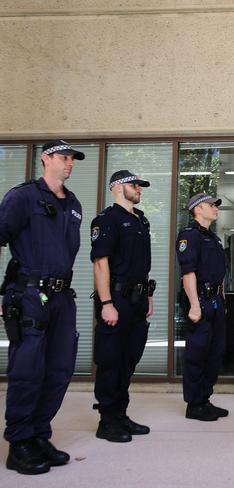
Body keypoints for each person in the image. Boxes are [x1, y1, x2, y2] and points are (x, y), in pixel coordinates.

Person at [0, 140, 84, 475]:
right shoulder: (23, 197)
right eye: (64, 157)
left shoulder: (73, 203)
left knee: (59, 369)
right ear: (46, 159)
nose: (69, 163)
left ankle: (38, 434)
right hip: (30, 294)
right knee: (28, 370)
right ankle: (18, 442)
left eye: (72, 159)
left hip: (62, 297)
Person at [90, 170, 155, 442]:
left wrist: (148, 295)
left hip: (138, 300)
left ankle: (121, 414)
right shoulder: (107, 220)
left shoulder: (140, 220)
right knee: (111, 361)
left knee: (129, 358)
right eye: (134, 185)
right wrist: (106, 303)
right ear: (117, 187)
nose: (138, 189)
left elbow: (141, 264)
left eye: (140, 185)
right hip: (115, 299)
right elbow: (100, 263)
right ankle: (107, 420)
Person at [176, 193, 229, 421]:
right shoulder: (190, 235)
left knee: (215, 353)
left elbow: (220, 274)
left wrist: (222, 299)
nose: (215, 208)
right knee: (197, 353)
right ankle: (194, 404)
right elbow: (188, 273)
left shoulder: (214, 238)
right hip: (201, 300)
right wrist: (195, 305)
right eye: (211, 205)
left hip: (216, 300)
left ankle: (205, 399)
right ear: (198, 209)